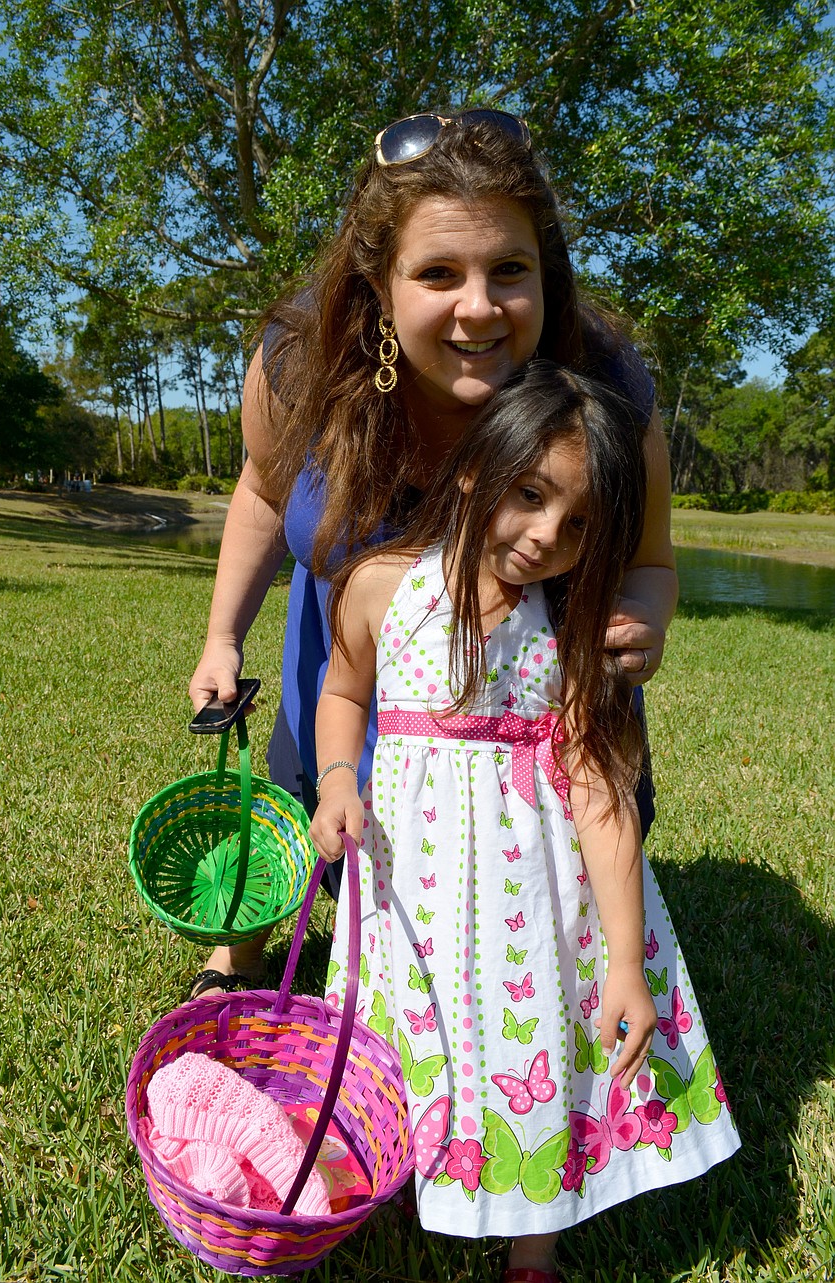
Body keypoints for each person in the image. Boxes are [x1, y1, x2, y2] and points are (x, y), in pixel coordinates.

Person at [187, 109, 678, 999]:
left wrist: (642, 615)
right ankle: (242, 948)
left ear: (547, 272)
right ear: (380, 283)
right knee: (318, 811)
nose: (478, 306)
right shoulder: (298, 364)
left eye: (510, 270)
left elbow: (650, 561)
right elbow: (262, 492)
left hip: (529, 700)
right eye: (439, 273)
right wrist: (223, 636)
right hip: (351, 661)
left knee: (523, 905)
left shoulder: (605, 386)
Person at [310, 361, 739, 1283]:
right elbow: (341, 691)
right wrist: (337, 779)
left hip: (532, 901)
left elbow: (601, 793)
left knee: (532, 1038)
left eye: (579, 523)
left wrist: (624, 963)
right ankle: (386, 1174)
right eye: (531, 495)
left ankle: (533, 1242)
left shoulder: (573, 627)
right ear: (474, 470)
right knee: (409, 1032)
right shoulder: (379, 586)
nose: (548, 535)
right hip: (411, 892)